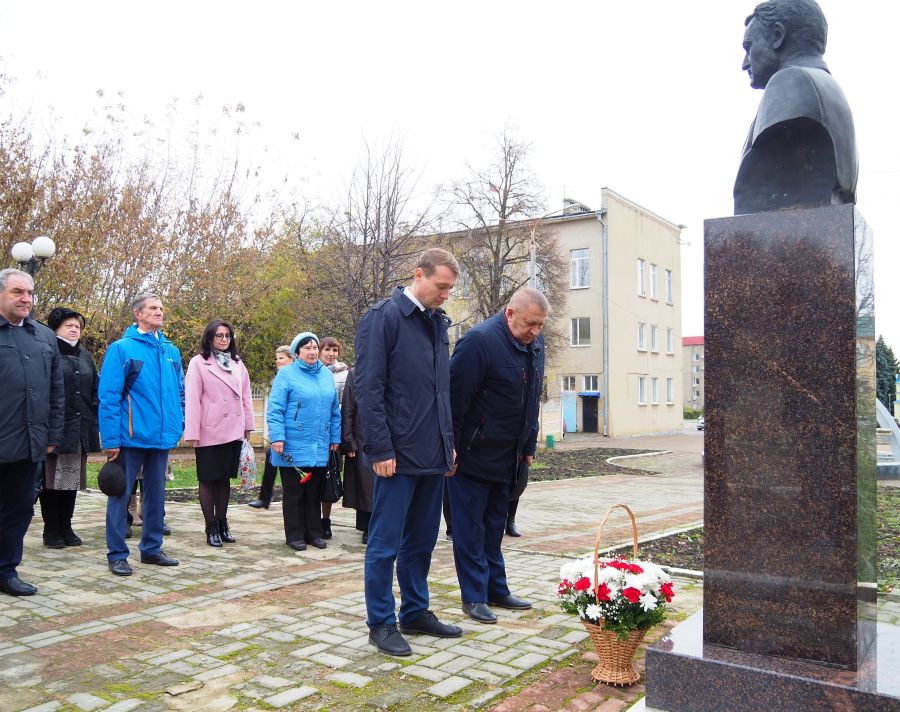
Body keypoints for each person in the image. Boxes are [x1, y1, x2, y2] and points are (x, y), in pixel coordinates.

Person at [355, 247, 462, 656]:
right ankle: (380, 622)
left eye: (450, 289)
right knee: (384, 544)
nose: (445, 295)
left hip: (432, 454)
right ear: (419, 275)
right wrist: (379, 447)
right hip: (394, 458)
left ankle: (415, 611)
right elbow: (369, 388)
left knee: (421, 541)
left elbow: (440, 393)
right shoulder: (384, 318)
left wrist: (447, 445)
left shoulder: (436, 323)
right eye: (441, 286)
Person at [448, 287, 547, 624]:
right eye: (530, 324)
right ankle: (473, 596)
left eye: (540, 326)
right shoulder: (479, 341)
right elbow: (455, 399)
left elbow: (532, 398)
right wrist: (452, 447)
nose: (535, 332)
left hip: (510, 456)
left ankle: (495, 589)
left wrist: (529, 446)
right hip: (473, 454)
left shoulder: (534, 345)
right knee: (469, 529)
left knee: (494, 526)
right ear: (510, 313)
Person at [734, 0, 857, 214]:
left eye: (749, 46)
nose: (744, 63)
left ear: (777, 36)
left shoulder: (793, 82)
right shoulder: (832, 92)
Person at [99, 293, 184, 576]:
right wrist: (111, 439)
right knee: (120, 496)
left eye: (161, 308)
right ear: (138, 313)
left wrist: (177, 423)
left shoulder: (171, 351)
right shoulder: (122, 349)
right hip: (130, 438)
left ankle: (151, 549)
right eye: (153, 308)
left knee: (156, 497)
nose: (159, 312)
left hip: (161, 438)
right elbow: (109, 396)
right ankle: (117, 554)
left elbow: (180, 392)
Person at [0, 268, 64, 596]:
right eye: (17, 292)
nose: (26, 298)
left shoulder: (43, 336)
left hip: (29, 444)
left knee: (20, 508)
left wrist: (53, 434)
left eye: (29, 293)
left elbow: (56, 390)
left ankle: (6, 570)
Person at [267, 332, 341, 551]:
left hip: (319, 443)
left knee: (314, 491)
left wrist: (335, 437)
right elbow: (276, 409)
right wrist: (278, 437)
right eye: (307, 348)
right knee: (294, 492)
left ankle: (314, 533)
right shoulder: (286, 375)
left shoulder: (326, 375)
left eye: (314, 347)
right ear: (297, 352)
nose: (312, 352)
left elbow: (334, 410)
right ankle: (295, 535)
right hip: (292, 444)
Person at [184, 320, 254, 547]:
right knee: (207, 479)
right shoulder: (198, 362)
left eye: (227, 336)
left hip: (233, 430)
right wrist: (192, 431)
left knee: (224, 479)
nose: (224, 340)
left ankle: (223, 523)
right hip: (208, 430)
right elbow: (193, 398)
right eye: (219, 336)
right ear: (209, 338)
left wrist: (248, 425)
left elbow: (246, 396)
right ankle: (210, 526)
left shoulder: (237, 363)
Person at [38, 307, 101, 549]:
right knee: (51, 482)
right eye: (69, 326)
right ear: (56, 329)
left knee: (69, 480)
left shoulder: (85, 356)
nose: (74, 330)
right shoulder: (48, 352)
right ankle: (51, 528)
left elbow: (94, 389)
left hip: (80, 428)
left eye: (78, 326)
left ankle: (66, 525)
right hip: (56, 428)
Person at [249, 345, 294, 509]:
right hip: (280, 430)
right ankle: (265, 498)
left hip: (293, 430)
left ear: (292, 358)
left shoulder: (295, 377)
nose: (277, 361)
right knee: (271, 456)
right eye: (276, 358)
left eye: (281, 358)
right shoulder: (279, 377)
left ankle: (270, 498)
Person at [319, 336, 349, 538]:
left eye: (334, 350)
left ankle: (326, 520)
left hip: (334, 434)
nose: (331, 354)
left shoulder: (345, 375)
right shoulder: (312, 371)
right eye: (327, 349)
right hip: (315, 434)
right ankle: (312, 519)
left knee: (330, 478)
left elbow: (348, 406)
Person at [340, 367, 374, 544]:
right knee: (365, 485)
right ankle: (368, 527)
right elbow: (347, 408)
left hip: (392, 436)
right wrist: (348, 440)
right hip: (362, 436)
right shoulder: (356, 373)